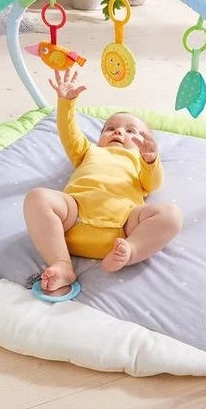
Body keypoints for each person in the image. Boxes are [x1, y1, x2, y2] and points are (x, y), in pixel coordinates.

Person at [23, 69, 183, 296]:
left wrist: (150, 159)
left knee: (172, 214)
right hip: (73, 219)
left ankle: (131, 251)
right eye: (110, 128)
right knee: (37, 197)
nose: (118, 131)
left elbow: (153, 184)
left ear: (146, 143)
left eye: (131, 131)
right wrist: (66, 103)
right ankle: (62, 263)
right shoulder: (89, 151)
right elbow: (69, 134)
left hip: (123, 228)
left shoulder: (140, 160)